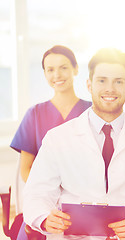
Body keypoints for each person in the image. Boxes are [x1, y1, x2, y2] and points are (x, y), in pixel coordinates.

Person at [23, 48, 125, 240]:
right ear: (89, 85)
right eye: (102, 81)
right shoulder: (57, 138)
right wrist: (44, 218)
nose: (110, 89)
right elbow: (35, 194)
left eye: (118, 82)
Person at [10, 45, 92, 240]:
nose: (57, 74)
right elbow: (26, 170)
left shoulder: (93, 113)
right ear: (45, 74)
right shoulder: (34, 115)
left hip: (85, 201)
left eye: (64, 67)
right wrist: (48, 198)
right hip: (46, 204)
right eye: (50, 70)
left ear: (75, 69)